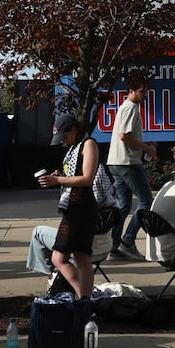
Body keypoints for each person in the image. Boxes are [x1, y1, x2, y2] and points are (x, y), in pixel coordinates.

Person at [38, 112, 116, 301]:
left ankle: (85, 299)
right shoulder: (74, 148)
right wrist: (60, 176)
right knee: (59, 257)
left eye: (64, 136)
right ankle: (83, 296)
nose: (62, 141)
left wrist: (57, 179)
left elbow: (87, 178)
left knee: (81, 257)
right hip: (72, 207)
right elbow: (74, 174)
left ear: (74, 130)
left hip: (83, 206)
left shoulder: (89, 144)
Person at [106, 75, 158, 258]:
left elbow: (125, 136)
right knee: (146, 201)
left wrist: (144, 143)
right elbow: (124, 136)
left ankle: (113, 246)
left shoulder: (124, 107)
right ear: (132, 91)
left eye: (146, 91)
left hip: (116, 161)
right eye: (142, 91)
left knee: (123, 206)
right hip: (128, 163)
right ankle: (127, 242)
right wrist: (148, 149)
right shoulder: (131, 108)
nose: (145, 95)